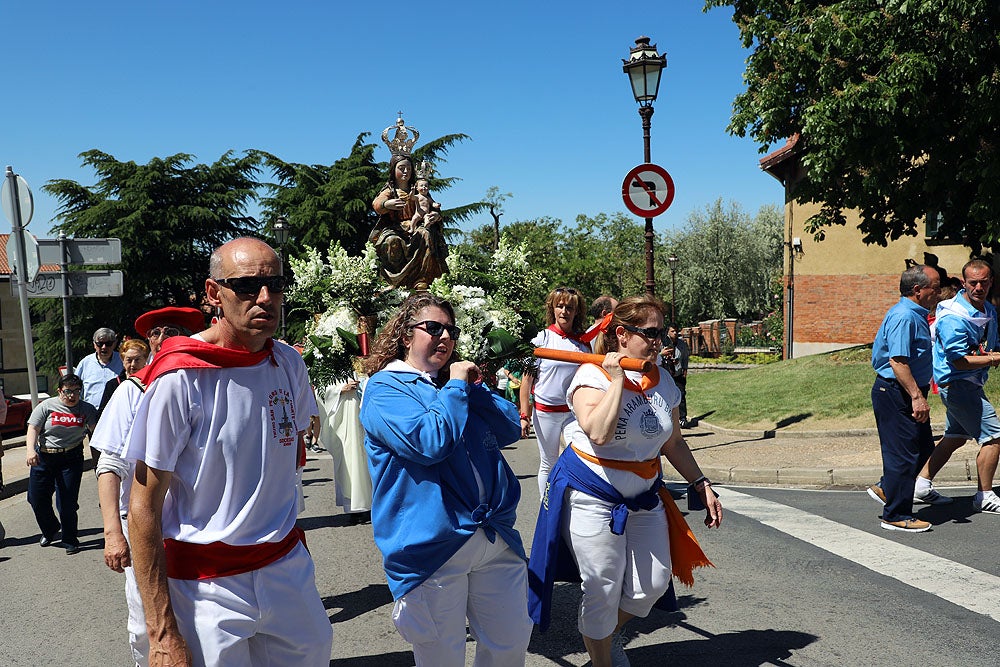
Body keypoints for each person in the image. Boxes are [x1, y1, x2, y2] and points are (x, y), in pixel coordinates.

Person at [124, 238, 332, 666]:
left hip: (285, 572)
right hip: (205, 588)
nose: (265, 298)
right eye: (246, 286)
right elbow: (143, 507)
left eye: (275, 285)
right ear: (213, 293)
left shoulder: (289, 363)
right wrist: (162, 633)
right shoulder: (179, 379)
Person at [527, 295, 721, 667]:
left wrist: (701, 483)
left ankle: (605, 633)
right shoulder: (590, 375)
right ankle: (602, 657)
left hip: (644, 496)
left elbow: (673, 441)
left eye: (661, 333)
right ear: (622, 334)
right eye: (650, 333)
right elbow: (598, 433)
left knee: (652, 584)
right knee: (601, 586)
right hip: (592, 496)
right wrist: (617, 380)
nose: (658, 341)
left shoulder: (662, 380)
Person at [359, 293, 532, 666]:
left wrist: (471, 387)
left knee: (510, 644)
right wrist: (455, 388)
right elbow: (429, 443)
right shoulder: (385, 389)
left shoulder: (453, 384)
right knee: (442, 656)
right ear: (406, 335)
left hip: (494, 536)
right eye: (433, 328)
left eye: (450, 331)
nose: (445, 337)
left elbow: (508, 428)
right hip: (432, 548)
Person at [92, 306, 204, 666]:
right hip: (143, 525)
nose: (163, 337)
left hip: (197, 525)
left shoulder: (207, 382)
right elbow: (109, 465)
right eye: (156, 332)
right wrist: (113, 532)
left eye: (174, 330)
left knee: (200, 620)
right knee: (146, 623)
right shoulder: (132, 391)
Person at [866, 265, 941, 532]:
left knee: (923, 449)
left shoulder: (914, 313)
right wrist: (917, 397)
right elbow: (897, 362)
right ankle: (896, 515)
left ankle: (888, 488)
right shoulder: (904, 317)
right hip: (897, 392)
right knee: (902, 455)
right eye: (935, 286)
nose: (939, 292)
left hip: (905, 390)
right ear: (918, 290)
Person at [927, 259, 1000, 513]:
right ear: (964, 283)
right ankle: (984, 495)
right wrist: (994, 358)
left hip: (970, 384)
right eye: (973, 282)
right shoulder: (953, 316)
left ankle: (921, 485)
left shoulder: (988, 310)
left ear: (991, 282)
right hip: (958, 385)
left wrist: (992, 353)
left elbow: (991, 344)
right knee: (994, 437)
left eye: (983, 282)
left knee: (955, 437)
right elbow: (959, 361)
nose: (978, 287)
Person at [520, 287, 594, 497]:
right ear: (552, 309)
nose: (564, 311)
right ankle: (547, 508)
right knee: (548, 462)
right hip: (545, 412)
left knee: (579, 456)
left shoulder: (582, 344)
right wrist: (524, 416)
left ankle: (570, 501)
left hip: (573, 414)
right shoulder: (540, 340)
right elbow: (527, 380)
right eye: (559, 306)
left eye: (569, 307)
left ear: (576, 311)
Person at [25, 373, 98, 554]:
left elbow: (95, 435)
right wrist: (30, 450)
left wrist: (100, 461)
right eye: (67, 392)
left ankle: (70, 539)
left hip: (71, 459)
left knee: (67, 503)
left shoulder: (87, 409)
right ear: (59, 391)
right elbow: (33, 428)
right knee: (35, 498)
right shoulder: (47, 406)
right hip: (45, 457)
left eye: (76, 391)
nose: (72, 396)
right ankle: (50, 529)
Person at [370, 153, 448, 290]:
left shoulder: (418, 189)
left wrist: (435, 216)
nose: (406, 171)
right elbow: (377, 203)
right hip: (395, 227)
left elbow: (432, 206)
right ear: (393, 170)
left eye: (409, 168)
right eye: (401, 168)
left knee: (425, 234)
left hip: (417, 225)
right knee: (391, 241)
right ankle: (393, 282)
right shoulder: (391, 190)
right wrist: (387, 204)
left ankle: (422, 279)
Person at [318, 375, 371, 524]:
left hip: (363, 414)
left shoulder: (364, 360)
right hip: (346, 416)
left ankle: (371, 504)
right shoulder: (332, 364)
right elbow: (321, 392)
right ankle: (354, 507)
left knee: (366, 459)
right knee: (350, 459)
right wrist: (339, 389)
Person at [75, 326, 124, 463]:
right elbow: (75, 388)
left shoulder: (123, 361)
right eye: (99, 343)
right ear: (94, 344)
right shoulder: (85, 363)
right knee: (98, 460)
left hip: (117, 418)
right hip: (93, 419)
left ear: (114, 343)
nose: (104, 347)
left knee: (118, 459)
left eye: (108, 343)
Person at [97, 339, 150, 421]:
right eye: (129, 360)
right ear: (122, 360)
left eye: (137, 360)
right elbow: (103, 414)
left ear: (145, 360)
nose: (133, 364)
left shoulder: (151, 383)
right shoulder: (113, 385)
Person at [661, 325, 691, 428]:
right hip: (667, 374)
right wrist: (663, 355)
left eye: (676, 331)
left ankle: (683, 418)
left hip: (678, 373)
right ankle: (668, 418)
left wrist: (685, 370)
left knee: (681, 395)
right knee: (668, 396)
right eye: (672, 331)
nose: (675, 333)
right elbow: (657, 357)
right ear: (668, 332)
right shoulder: (663, 343)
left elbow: (685, 357)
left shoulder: (682, 344)